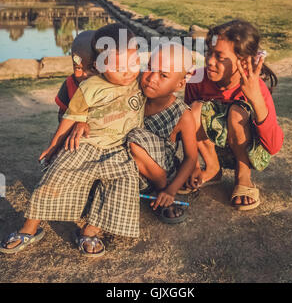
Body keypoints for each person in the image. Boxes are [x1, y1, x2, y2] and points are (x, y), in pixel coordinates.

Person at [0, 23, 145, 257]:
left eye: (133, 62)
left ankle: (90, 231)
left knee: (123, 184)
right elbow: (68, 118)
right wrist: (55, 145)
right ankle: (30, 228)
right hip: (86, 144)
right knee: (56, 174)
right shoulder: (89, 87)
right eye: (119, 66)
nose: (128, 71)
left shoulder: (138, 81)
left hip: (119, 149)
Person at [184, 19, 284, 211]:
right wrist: (192, 164)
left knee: (237, 112)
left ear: (244, 61)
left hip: (250, 151)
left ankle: (243, 176)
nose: (210, 61)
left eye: (220, 57)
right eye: (209, 53)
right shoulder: (197, 80)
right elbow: (187, 126)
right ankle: (212, 170)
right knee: (193, 110)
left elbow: (272, 146)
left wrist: (255, 99)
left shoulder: (257, 87)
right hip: (215, 147)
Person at [127, 42, 198, 223]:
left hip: (162, 170)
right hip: (132, 168)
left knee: (133, 138)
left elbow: (191, 157)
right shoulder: (134, 92)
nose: (151, 78)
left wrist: (171, 190)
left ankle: (161, 190)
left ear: (180, 84)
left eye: (163, 75)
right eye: (150, 67)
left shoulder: (182, 114)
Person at [55, 30, 95, 123]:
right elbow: (62, 113)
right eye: (78, 68)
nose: (85, 74)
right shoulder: (69, 84)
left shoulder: (107, 85)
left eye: (92, 68)